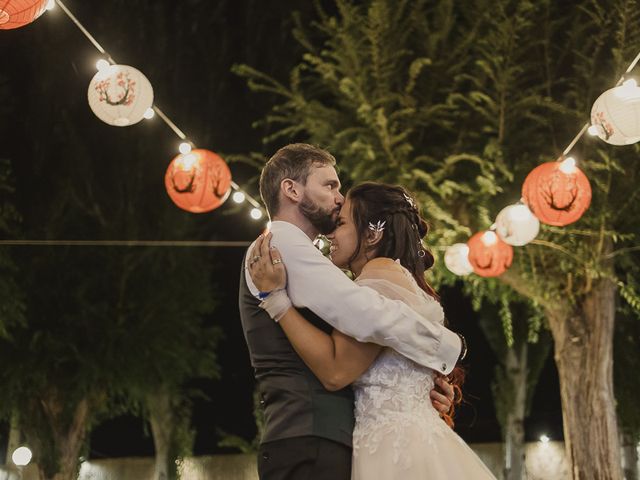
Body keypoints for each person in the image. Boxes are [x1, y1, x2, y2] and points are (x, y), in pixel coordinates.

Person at [238, 143, 464, 480]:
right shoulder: (283, 246)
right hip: (310, 437)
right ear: (292, 190)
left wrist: (419, 382)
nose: (339, 197)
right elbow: (366, 313)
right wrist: (447, 346)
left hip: (324, 438)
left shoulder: (312, 256)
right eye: (329, 185)